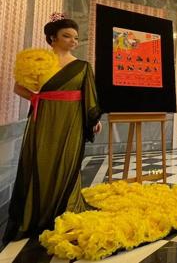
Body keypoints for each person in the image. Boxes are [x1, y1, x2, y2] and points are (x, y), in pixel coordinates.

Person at [3, 15, 102, 243]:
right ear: (52, 38)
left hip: (72, 120)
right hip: (44, 119)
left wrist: (93, 120)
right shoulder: (38, 62)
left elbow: (90, 97)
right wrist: (36, 99)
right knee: (41, 162)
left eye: (75, 38)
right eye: (67, 36)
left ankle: (65, 209)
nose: (73, 41)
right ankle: (37, 212)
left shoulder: (82, 66)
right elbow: (19, 87)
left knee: (66, 162)